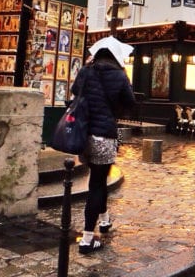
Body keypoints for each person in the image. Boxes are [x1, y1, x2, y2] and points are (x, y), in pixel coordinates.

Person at [71, 36, 136, 254]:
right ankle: (88, 238)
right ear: (116, 56)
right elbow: (131, 104)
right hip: (104, 135)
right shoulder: (119, 74)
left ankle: (105, 219)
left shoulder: (86, 70)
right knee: (97, 184)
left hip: (83, 135)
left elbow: (74, 91)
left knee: (98, 180)